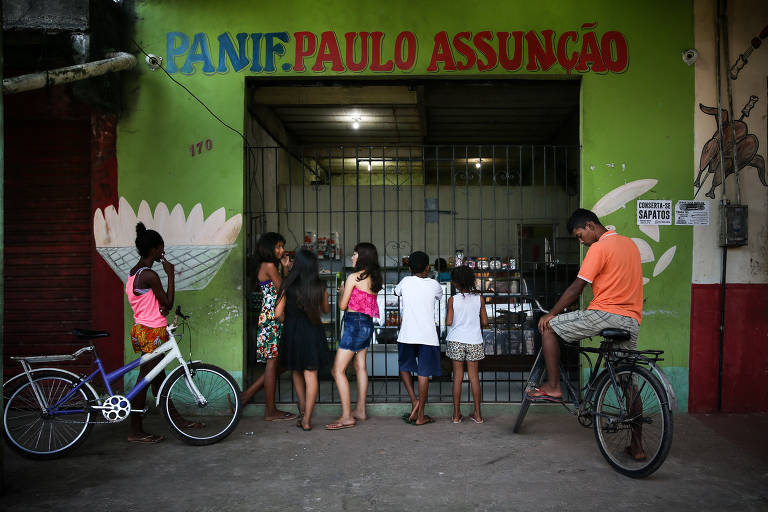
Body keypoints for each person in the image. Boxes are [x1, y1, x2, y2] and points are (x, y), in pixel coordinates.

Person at [533, 208, 645, 459]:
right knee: (628, 382)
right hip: (631, 320)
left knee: (549, 328)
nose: (580, 241)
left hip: (605, 314)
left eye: (579, 234)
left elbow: (577, 287)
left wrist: (552, 312)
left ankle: (553, 387)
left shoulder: (599, 248)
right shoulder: (630, 245)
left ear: (590, 225)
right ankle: (637, 447)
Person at [126, 223, 201, 443]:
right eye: (161, 249)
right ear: (154, 250)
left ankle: (178, 420)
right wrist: (171, 275)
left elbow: (155, 304)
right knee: (144, 380)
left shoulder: (134, 273)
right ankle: (135, 431)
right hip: (152, 332)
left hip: (142, 329)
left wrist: (162, 306)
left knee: (159, 379)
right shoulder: (149, 275)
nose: (163, 253)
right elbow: (168, 301)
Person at [241, 232, 298, 421]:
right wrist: (287, 268)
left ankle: (245, 397)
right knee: (273, 363)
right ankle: (270, 411)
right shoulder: (269, 265)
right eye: (278, 247)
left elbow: (280, 287)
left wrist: (284, 268)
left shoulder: (265, 265)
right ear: (268, 248)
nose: (281, 250)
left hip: (269, 314)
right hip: (274, 316)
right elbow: (284, 287)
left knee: (277, 364)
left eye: (282, 246)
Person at [326, 243, 383, 431]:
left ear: (363, 257)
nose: (352, 257)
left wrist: (342, 291)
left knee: (337, 370)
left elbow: (342, 306)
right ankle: (360, 410)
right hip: (366, 324)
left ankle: (346, 416)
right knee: (360, 366)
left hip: (353, 324)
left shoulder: (353, 277)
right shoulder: (374, 278)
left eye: (355, 254)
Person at [276, 249, 332, 431]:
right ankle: (307, 418)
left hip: (292, 332)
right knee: (311, 374)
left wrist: (290, 321)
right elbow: (325, 310)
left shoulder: (288, 284)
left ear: (297, 264)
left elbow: (278, 313)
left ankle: (302, 408)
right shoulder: (320, 286)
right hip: (313, 332)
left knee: (296, 370)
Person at [395, 251, 443, 426]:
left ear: (409, 268)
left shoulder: (405, 282)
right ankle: (421, 414)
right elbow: (439, 297)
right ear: (428, 268)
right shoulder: (435, 285)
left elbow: (396, 292)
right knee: (424, 373)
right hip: (427, 336)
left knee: (404, 366)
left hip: (407, 334)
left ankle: (414, 400)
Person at [445, 265, 489, 424]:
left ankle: (456, 415)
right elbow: (485, 322)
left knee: (457, 378)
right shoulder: (480, 298)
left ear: (455, 283)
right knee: (474, 378)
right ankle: (478, 415)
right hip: (474, 341)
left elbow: (449, 321)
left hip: (456, 340)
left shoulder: (453, 299)